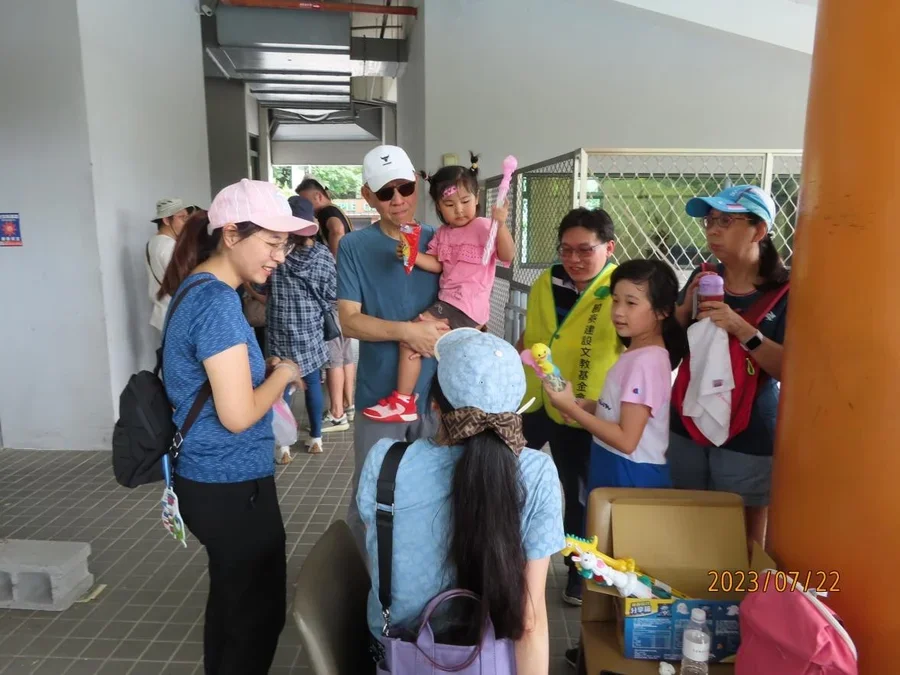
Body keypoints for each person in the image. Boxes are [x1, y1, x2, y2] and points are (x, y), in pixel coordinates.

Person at [157, 178, 317, 675]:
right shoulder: (217, 303)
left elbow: (214, 381)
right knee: (254, 617)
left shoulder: (196, 286)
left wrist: (260, 371)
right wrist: (284, 375)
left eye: (284, 245)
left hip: (210, 479)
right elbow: (239, 414)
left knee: (232, 604)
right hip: (228, 483)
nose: (279, 257)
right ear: (230, 234)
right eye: (271, 243)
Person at [357, 328, 564, 675]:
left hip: (398, 653)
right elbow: (529, 622)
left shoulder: (386, 461)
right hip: (489, 660)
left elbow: (377, 545)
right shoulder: (538, 472)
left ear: (434, 405)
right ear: (515, 408)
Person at [336, 144, 448, 556]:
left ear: (416, 184)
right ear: (368, 196)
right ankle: (367, 583)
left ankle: (428, 580)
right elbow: (349, 321)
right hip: (379, 395)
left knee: (437, 494)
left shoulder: (440, 241)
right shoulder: (354, 246)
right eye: (386, 192)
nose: (398, 199)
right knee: (371, 494)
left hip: (437, 397)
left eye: (405, 188)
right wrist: (408, 333)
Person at [668, 185, 790, 551]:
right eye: (709, 221)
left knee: (743, 536)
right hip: (688, 419)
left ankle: (739, 590)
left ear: (759, 230)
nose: (713, 230)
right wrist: (681, 313)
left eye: (725, 221)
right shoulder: (702, 276)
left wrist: (742, 328)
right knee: (687, 524)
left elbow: (789, 370)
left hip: (748, 431)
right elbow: (672, 350)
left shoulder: (787, 291)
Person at [516, 207, 621, 607]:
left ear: (609, 248)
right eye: (566, 249)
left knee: (577, 494)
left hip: (582, 408)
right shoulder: (547, 280)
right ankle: (505, 554)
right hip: (534, 398)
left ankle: (579, 570)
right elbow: (531, 334)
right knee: (504, 470)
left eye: (585, 250)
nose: (574, 259)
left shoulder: (621, 288)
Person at [362, 153, 514, 423]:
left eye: (465, 201)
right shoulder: (443, 234)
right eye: (449, 204)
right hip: (452, 303)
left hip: (462, 306)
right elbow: (437, 264)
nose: (459, 210)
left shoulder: (483, 226)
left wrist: (500, 225)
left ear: (477, 198)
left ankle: (404, 402)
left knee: (410, 339)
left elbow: (507, 254)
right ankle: (446, 404)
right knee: (437, 353)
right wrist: (412, 255)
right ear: (438, 207)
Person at [545, 259, 687, 492]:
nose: (619, 311)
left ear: (662, 311)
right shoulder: (639, 352)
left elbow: (626, 441)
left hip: (630, 474)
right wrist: (591, 406)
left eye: (631, 303)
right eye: (616, 300)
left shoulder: (645, 362)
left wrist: (571, 409)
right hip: (614, 464)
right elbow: (626, 411)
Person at [267, 196, 336, 458]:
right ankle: (316, 438)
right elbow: (332, 293)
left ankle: (283, 445)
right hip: (310, 328)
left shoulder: (277, 252)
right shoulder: (322, 255)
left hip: (280, 327)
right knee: (312, 383)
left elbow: (262, 285)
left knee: (282, 384)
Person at [294, 180, 359, 430]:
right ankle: (349, 405)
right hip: (347, 293)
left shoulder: (328, 213)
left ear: (318, 196)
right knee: (345, 353)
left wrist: (332, 261)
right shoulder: (337, 210)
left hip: (334, 296)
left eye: (306, 200)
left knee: (334, 357)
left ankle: (336, 413)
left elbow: (337, 230)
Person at [147, 197, 194, 331]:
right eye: (181, 217)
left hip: (162, 313)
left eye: (187, 217)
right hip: (177, 315)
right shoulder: (170, 246)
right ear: (167, 220)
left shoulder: (152, 242)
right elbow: (184, 283)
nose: (186, 222)